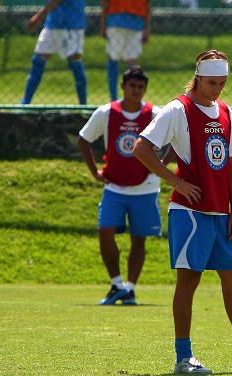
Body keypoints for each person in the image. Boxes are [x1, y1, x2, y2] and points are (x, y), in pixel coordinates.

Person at [132, 49, 232, 374]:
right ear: (198, 77)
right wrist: (176, 181)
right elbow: (141, 147)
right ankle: (183, 358)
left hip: (221, 213)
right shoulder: (177, 109)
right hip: (190, 213)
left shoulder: (225, 111)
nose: (218, 89)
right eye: (212, 82)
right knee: (189, 280)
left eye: (222, 83)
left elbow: (230, 162)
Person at [77, 66, 162, 306]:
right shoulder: (107, 112)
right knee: (105, 231)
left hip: (145, 187)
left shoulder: (155, 114)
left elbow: (175, 139)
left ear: (145, 89)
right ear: (123, 86)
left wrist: (160, 165)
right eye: (132, 86)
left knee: (139, 239)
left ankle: (130, 289)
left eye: (141, 87)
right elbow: (83, 139)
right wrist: (94, 171)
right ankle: (116, 283)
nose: (136, 91)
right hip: (114, 186)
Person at [20, 0, 87, 105]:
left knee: (74, 62)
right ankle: (25, 103)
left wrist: (38, 17)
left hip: (70, 24)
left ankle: (84, 105)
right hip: (57, 22)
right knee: (39, 61)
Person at [101, 0, 151, 101]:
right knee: (120, 59)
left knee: (124, 60)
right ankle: (115, 98)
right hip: (121, 20)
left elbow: (147, 5)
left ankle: (130, 96)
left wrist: (147, 27)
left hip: (129, 21)